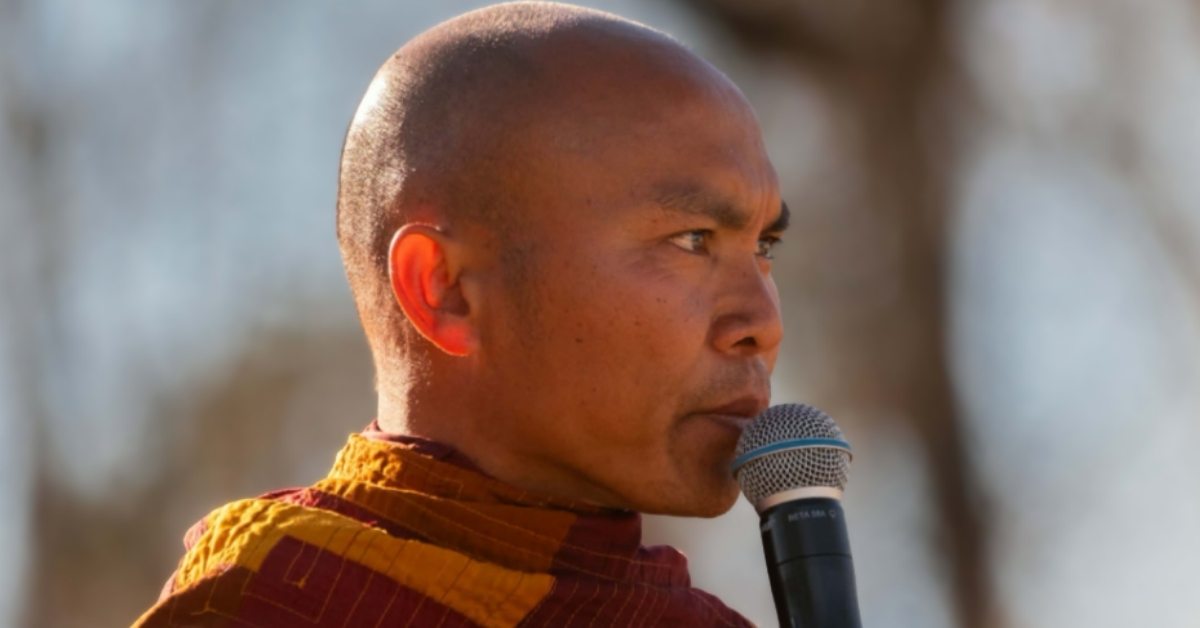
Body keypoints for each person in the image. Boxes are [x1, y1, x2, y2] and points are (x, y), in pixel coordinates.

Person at [135, 1, 787, 625]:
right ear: (445, 289)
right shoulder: (282, 610)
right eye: (693, 240)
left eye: (764, 246)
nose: (762, 321)